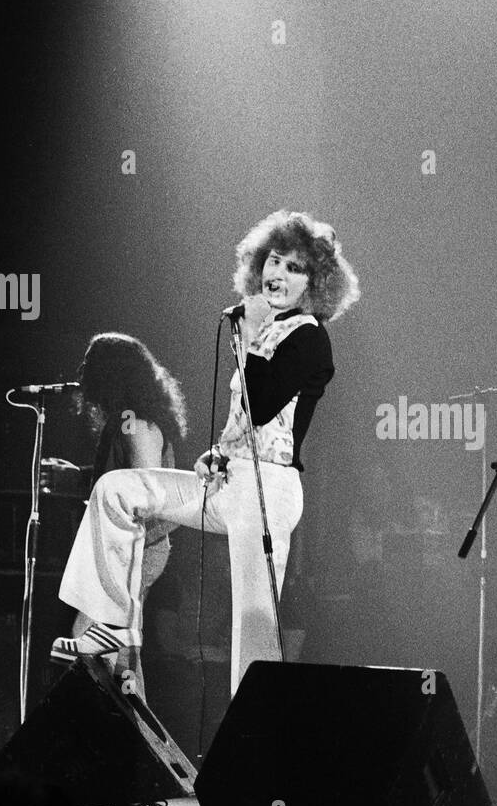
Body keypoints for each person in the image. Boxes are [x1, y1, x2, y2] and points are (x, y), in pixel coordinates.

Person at [54, 211, 359, 694]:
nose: (277, 274)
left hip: (269, 490)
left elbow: (261, 404)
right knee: (116, 490)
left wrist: (254, 333)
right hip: (229, 481)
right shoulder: (267, 331)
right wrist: (217, 452)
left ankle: (253, 743)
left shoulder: (310, 336)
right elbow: (243, 422)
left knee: (254, 633)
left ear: (315, 283)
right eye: (274, 261)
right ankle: (112, 626)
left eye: (295, 268)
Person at [52, 332, 188, 700]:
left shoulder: (139, 426)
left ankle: (110, 735)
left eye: (89, 364)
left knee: (91, 641)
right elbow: (122, 481)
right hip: (125, 549)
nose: (82, 372)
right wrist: (78, 476)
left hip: (135, 550)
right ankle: (133, 742)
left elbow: (146, 494)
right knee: (117, 655)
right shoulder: (125, 423)